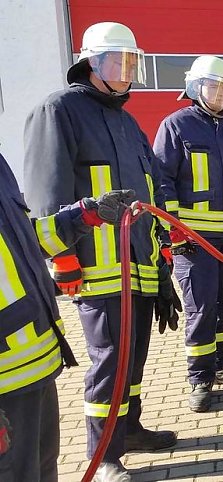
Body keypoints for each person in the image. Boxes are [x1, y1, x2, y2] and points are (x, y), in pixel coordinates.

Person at [22, 21, 179, 480]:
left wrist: (162, 261)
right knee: (110, 363)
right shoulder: (59, 111)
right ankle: (103, 455)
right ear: (91, 62)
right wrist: (63, 259)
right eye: (117, 62)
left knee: (133, 360)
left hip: (138, 267)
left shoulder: (127, 122)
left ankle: (128, 430)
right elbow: (47, 197)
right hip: (99, 271)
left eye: (132, 63)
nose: (126, 72)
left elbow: (150, 197)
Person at [0, 145, 134, 481]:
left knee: (43, 469)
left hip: (35, 366)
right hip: (6, 382)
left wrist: (82, 216)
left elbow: (21, 240)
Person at [153, 55, 223, 412]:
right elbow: (162, 182)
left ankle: (220, 363)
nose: (220, 94)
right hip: (194, 242)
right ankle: (199, 377)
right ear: (194, 87)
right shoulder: (176, 126)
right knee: (200, 309)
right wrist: (174, 233)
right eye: (213, 86)